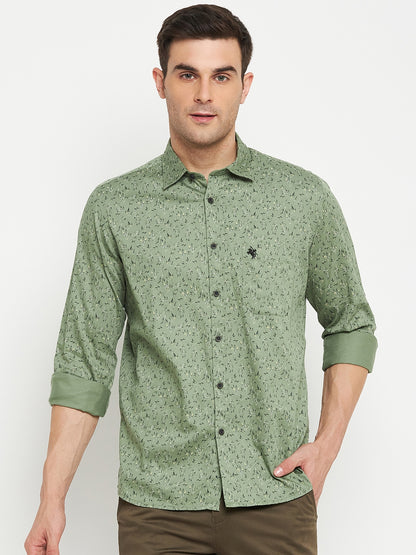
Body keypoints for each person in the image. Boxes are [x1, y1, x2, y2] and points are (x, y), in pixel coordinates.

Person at [25, 4, 378, 554]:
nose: (205, 94)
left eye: (222, 76)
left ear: (245, 86)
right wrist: (52, 497)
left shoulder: (302, 199)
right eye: (187, 74)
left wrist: (327, 446)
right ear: (160, 82)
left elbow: (351, 323)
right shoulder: (115, 208)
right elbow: (84, 361)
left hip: (275, 497)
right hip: (157, 509)